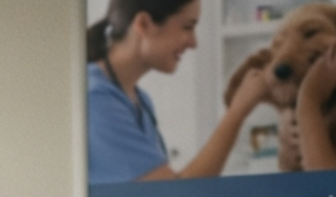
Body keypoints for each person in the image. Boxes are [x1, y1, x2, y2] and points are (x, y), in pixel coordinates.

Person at [86, 0, 271, 184]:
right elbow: (174, 195)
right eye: (187, 27)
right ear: (144, 24)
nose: (194, 43)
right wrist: (237, 111)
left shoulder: (140, 100)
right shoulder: (96, 101)